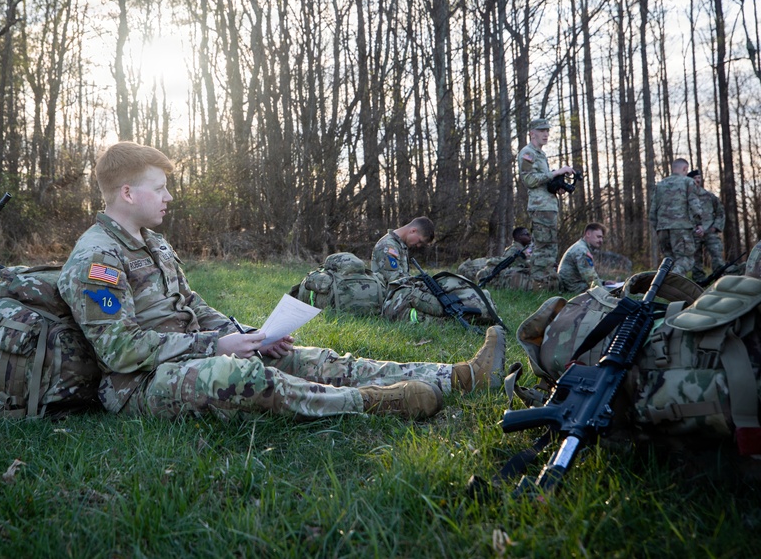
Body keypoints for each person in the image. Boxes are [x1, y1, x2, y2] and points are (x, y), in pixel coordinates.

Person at [58, 142, 506, 422]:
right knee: (241, 375)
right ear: (128, 193)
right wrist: (216, 347)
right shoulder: (97, 257)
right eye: (160, 188)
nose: (170, 196)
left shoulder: (153, 243)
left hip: (194, 353)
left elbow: (191, 302)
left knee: (308, 357)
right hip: (137, 384)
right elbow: (120, 349)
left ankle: (459, 377)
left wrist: (245, 335)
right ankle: (375, 401)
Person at [371, 217, 496, 323]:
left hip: (402, 294)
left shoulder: (399, 245)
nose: (418, 245)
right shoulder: (388, 246)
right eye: (419, 241)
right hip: (390, 299)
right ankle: (463, 317)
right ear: (413, 231)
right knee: (437, 308)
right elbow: (394, 280)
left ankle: (478, 307)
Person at [516, 118, 576, 290]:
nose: (546, 134)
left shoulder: (540, 154)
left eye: (547, 131)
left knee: (549, 247)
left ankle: (546, 285)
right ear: (532, 133)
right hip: (540, 207)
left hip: (548, 206)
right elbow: (529, 180)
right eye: (542, 131)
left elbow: (541, 181)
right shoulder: (528, 153)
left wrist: (556, 186)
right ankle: (538, 287)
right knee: (543, 248)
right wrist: (556, 172)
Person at [649, 158, 703, 277]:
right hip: (681, 228)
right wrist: (699, 224)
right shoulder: (688, 182)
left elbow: (652, 211)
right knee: (685, 259)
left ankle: (667, 289)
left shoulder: (661, 184)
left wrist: (658, 228)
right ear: (685, 169)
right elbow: (694, 204)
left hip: (662, 229)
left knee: (669, 260)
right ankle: (672, 278)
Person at [688, 169, 725, 284]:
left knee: (717, 255)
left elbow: (720, 212)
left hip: (710, 230)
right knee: (695, 259)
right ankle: (699, 282)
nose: (697, 180)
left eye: (699, 178)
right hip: (693, 232)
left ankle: (720, 279)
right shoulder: (685, 198)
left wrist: (715, 227)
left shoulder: (709, 196)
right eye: (695, 179)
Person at [557, 223, 606, 294]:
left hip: (572, 285)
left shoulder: (581, 246)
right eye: (598, 237)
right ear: (588, 234)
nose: (601, 240)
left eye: (602, 238)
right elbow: (590, 278)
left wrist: (603, 282)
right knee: (613, 292)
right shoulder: (582, 250)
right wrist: (604, 292)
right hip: (573, 288)